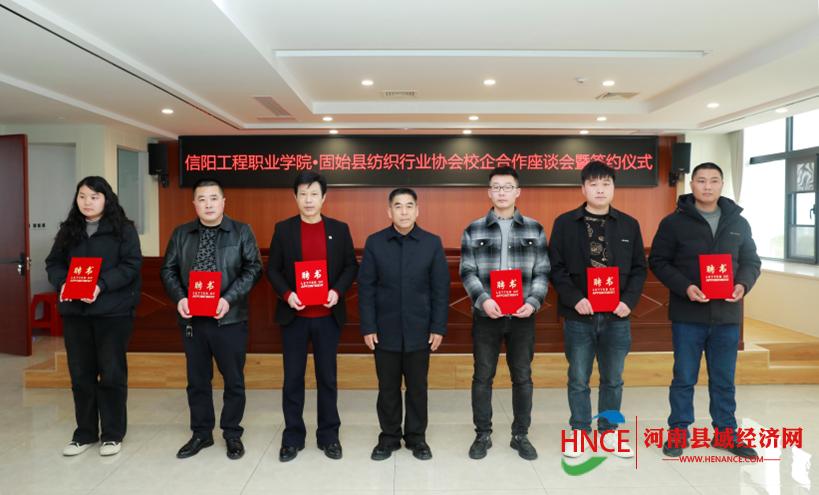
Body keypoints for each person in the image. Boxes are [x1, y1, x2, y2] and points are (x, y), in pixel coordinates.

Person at [649, 162, 761, 459]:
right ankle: (678, 432)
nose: (707, 186)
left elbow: (751, 261)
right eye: (701, 180)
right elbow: (658, 261)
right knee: (684, 377)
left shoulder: (738, 223)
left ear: (722, 184)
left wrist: (743, 284)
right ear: (692, 185)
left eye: (713, 181)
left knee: (724, 380)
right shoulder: (673, 223)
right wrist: (685, 286)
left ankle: (726, 434)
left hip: (727, 315)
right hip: (688, 315)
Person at [548, 161, 646, 459]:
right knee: (578, 378)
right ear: (583, 188)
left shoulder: (629, 224)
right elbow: (556, 267)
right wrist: (574, 298)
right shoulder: (565, 223)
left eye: (606, 184)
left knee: (613, 378)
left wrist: (628, 301)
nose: (600, 190)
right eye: (593, 184)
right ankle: (579, 432)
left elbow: (639, 269)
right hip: (579, 315)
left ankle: (609, 433)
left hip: (617, 316)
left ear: (614, 187)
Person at [160, 178, 262, 460]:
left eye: (213, 198)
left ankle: (232, 433)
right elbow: (167, 270)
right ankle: (201, 433)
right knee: (197, 380)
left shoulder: (241, 231)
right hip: (193, 320)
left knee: (233, 380)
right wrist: (180, 298)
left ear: (223, 202)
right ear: (194, 203)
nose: (208, 204)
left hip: (229, 318)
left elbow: (254, 268)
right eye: (202, 199)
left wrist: (227, 299)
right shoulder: (181, 234)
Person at [45, 176, 142, 457]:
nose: (87, 202)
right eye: (82, 196)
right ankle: (85, 433)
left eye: (94, 197)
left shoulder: (123, 229)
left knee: (111, 373)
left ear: (106, 199)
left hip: (113, 313)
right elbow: (53, 263)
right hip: (76, 314)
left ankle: (112, 434)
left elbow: (131, 265)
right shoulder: (68, 230)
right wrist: (63, 283)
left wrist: (100, 285)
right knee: (80, 374)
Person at [459, 166, 550, 461]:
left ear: (517, 192)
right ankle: (482, 434)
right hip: (487, 316)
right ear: (489, 192)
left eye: (507, 187)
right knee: (482, 376)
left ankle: (520, 434)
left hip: (523, 316)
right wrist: (483, 300)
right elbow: (467, 271)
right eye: (496, 187)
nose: (501, 192)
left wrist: (533, 302)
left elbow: (542, 271)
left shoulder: (534, 229)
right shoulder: (473, 229)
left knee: (522, 376)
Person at [267, 171, 358, 462]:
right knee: (293, 378)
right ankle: (293, 437)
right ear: (295, 197)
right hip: (294, 317)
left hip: (327, 317)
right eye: (303, 194)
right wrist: (287, 294)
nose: (308, 200)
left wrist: (337, 291)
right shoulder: (284, 229)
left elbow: (350, 266)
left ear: (324, 197)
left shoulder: (339, 229)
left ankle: (329, 435)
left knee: (327, 378)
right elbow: (273, 269)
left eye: (314, 194)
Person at [357, 188, 450, 461]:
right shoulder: (375, 242)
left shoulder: (432, 243)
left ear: (417, 210)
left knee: (417, 388)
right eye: (398, 206)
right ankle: (388, 437)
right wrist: (368, 326)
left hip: (420, 330)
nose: (404, 211)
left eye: (409, 206)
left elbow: (440, 290)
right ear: (389, 211)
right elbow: (366, 288)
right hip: (384, 330)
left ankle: (416, 438)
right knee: (387, 388)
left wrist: (438, 327)